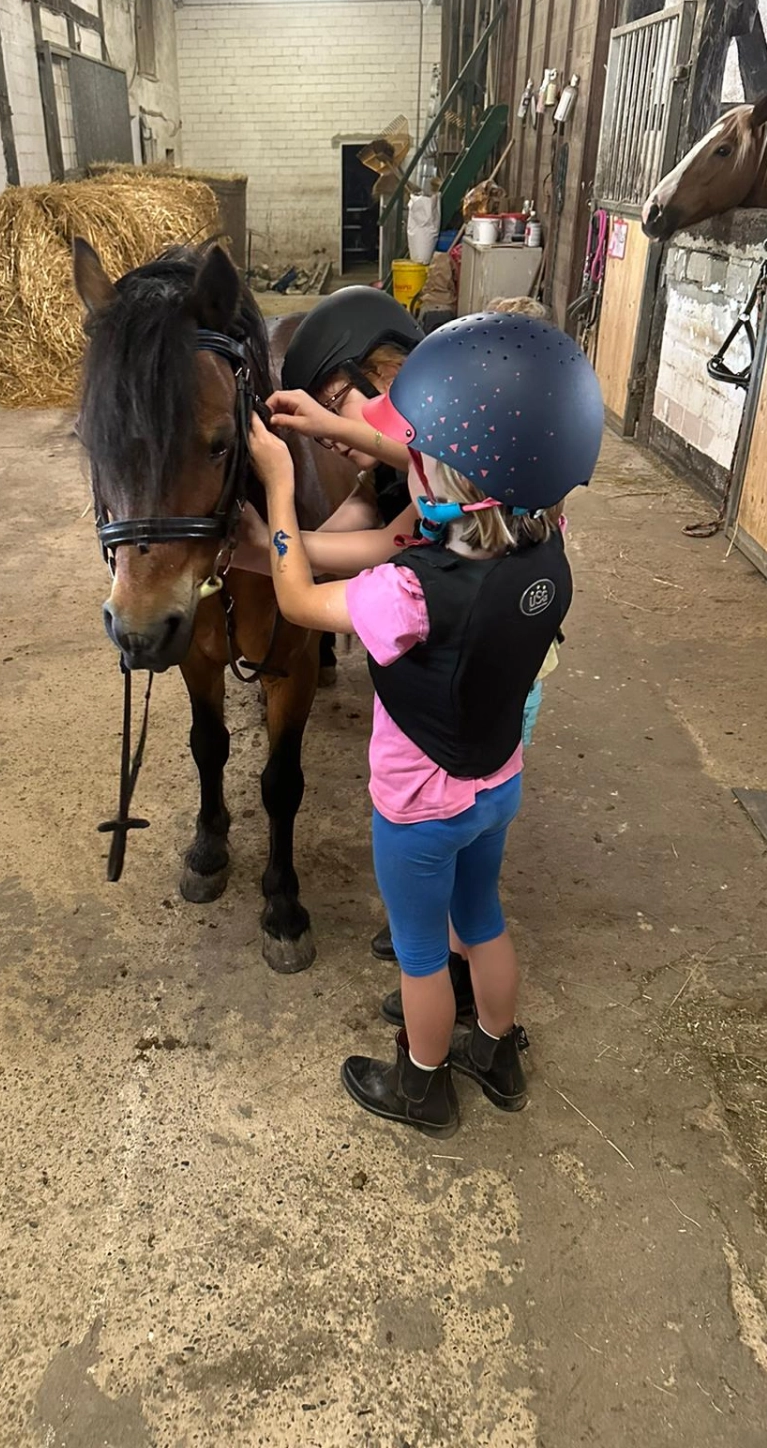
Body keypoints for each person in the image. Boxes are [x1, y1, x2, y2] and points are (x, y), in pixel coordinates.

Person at [248, 313, 603, 1136]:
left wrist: (275, 485)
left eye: (413, 457)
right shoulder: (546, 541)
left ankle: (421, 1081)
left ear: (438, 483)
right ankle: (496, 1048)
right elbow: (469, 473)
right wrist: (340, 427)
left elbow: (299, 599)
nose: (401, 461)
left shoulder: (405, 594)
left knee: (419, 955)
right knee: (480, 918)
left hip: (416, 810)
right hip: (497, 785)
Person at [281, 286, 423, 529]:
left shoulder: (450, 430)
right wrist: (262, 547)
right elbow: (354, 515)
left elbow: (432, 464)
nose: (331, 438)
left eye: (334, 407)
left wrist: (278, 494)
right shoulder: (383, 469)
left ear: (390, 374)